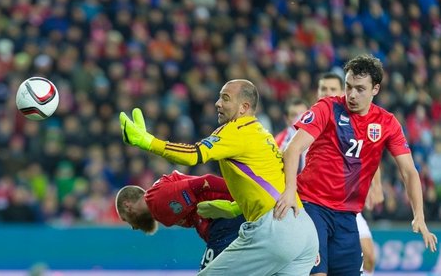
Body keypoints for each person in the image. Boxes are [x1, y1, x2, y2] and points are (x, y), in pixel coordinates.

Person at [120, 79, 318, 275]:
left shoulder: (235, 130)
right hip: (303, 229)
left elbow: (193, 154)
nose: (218, 103)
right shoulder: (261, 133)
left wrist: (149, 142)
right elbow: (267, 182)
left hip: (275, 228)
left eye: (225, 98)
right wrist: (234, 208)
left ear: (243, 107)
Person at [275, 55, 438, 276]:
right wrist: (290, 190)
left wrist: (418, 214)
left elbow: (409, 172)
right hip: (312, 206)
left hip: (347, 214)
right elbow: (292, 150)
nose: (351, 95)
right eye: (348, 87)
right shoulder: (327, 107)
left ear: (375, 89)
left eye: (360, 89)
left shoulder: (387, 123)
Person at [316, 72, 383, 275]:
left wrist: (376, 184)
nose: (327, 93)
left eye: (332, 89)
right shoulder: (311, 120)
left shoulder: (351, 119)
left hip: (345, 205)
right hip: (313, 204)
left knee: (369, 256)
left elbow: (368, 152)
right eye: (323, 89)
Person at [115, 171, 244, 270]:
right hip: (223, 221)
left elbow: (206, 181)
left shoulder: (158, 200)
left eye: (126, 219)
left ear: (127, 205)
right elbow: (196, 212)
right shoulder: (158, 210)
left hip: (227, 215)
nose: (133, 227)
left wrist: (244, 195)